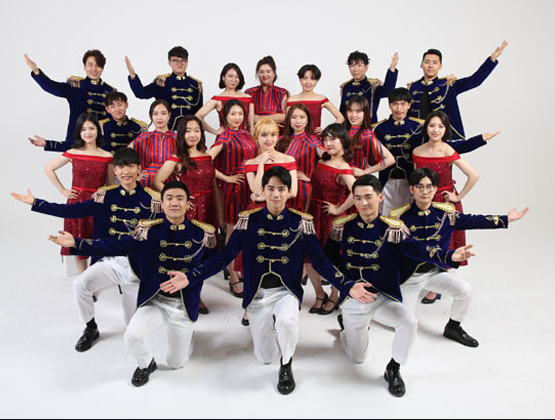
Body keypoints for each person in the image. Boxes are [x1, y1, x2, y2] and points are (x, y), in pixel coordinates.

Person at [171, 166, 373, 395]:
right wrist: (190, 277)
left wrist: (347, 286)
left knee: (287, 323)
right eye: (271, 189)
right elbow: (223, 257)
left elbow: (321, 261)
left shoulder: (301, 223)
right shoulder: (248, 221)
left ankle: (286, 363)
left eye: (281, 189)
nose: (276, 194)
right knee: (265, 357)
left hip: (286, 292)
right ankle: (268, 335)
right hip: (256, 294)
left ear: (289, 192)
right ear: (263, 191)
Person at [49, 181, 217, 387]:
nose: (174, 203)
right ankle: (147, 364)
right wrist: (77, 243)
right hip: (155, 300)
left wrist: (191, 277)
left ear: (188, 203)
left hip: (183, 306)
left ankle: (188, 337)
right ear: (162, 204)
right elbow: (115, 245)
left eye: (180, 198)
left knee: (177, 364)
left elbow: (215, 263)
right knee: (132, 335)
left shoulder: (202, 234)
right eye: (169, 198)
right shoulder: (148, 232)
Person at [324, 175, 475, 397]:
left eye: (368, 197)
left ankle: (393, 368)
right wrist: (346, 286)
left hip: (383, 297)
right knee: (358, 358)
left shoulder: (393, 229)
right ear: (353, 200)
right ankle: (346, 328)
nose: (364, 203)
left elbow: (418, 249)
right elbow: (327, 262)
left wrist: (449, 255)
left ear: (380, 197)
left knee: (409, 322)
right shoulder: (342, 227)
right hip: (354, 298)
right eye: (358, 198)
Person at [11, 148, 161, 352]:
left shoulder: (153, 202)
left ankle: (141, 347)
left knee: (131, 327)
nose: (125, 171)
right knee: (80, 284)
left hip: (136, 268)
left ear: (139, 169)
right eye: (120, 167)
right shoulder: (104, 196)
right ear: (115, 171)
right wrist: (37, 203)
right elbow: (73, 210)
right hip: (109, 261)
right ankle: (91, 328)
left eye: (130, 166)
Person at [386, 168, 529, 347]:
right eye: (419, 186)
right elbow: (411, 249)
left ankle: (453, 327)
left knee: (465, 291)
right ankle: (372, 309)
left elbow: (473, 220)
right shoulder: (398, 218)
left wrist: (505, 219)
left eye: (429, 187)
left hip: (433, 273)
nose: (425, 191)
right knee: (403, 323)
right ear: (411, 189)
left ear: (435, 189)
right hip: (408, 277)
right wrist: (449, 255)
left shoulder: (445, 214)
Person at [373, 89, 497, 215]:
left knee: (410, 219)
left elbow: (445, 145)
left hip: (413, 183)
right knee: (385, 217)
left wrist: (478, 140)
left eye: (403, 104)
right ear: (389, 105)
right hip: (386, 181)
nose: (399, 108)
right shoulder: (379, 129)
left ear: (409, 105)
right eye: (395, 104)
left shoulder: (418, 127)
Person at [154, 116, 218, 315]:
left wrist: (220, 214)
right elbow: (157, 181)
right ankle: (192, 296)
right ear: (181, 134)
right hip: (190, 212)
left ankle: (193, 291)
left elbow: (213, 185)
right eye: (188, 131)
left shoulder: (206, 156)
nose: (193, 135)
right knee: (190, 255)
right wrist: (178, 199)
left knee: (205, 255)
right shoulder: (177, 158)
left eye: (197, 130)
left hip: (209, 209)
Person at [43, 113, 114, 274]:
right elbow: (49, 168)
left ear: (98, 130)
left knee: (96, 242)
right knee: (78, 242)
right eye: (83, 129)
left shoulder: (107, 156)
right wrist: (63, 190)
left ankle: (93, 276)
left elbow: (110, 185)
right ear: (79, 132)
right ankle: (83, 277)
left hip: (97, 204)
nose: (88, 132)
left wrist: (107, 201)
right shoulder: (73, 152)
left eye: (91, 128)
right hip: (77, 203)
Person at [408, 41, 508, 139]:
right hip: (419, 137)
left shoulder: (448, 85)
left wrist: (492, 59)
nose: (430, 65)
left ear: (440, 66)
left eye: (435, 63)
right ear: (421, 64)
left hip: (445, 137)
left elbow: (475, 80)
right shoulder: (412, 87)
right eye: (427, 62)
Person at [208, 100, 257, 298]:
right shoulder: (225, 135)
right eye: (232, 114)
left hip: (251, 187)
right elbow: (205, 160)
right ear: (225, 116)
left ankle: (241, 269)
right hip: (234, 189)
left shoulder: (247, 134)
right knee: (232, 232)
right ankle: (233, 276)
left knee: (247, 232)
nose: (237, 117)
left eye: (240, 114)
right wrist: (227, 177)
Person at [307, 124, 357, 316]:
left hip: (332, 219)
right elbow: (314, 188)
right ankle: (319, 294)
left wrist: (338, 208)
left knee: (333, 260)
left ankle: (335, 295)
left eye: (332, 139)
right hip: (314, 213)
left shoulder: (344, 167)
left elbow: (356, 192)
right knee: (309, 258)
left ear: (343, 140)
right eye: (325, 139)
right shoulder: (322, 161)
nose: (328, 143)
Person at [25, 50, 117, 150]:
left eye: (98, 65)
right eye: (90, 65)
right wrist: (36, 71)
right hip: (77, 141)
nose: (94, 69)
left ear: (102, 68)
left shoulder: (110, 91)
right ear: (84, 67)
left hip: (101, 143)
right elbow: (51, 86)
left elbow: (115, 118)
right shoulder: (75, 86)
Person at [126, 46, 203, 131]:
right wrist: (133, 76)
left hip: (189, 133)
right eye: (175, 60)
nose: (179, 63)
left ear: (187, 62)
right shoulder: (162, 82)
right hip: (166, 132)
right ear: (169, 62)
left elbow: (199, 113)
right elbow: (141, 93)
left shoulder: (195, 84)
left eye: (183, 60)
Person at [277, 103, 324, 213]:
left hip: (304, 192)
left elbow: (329, 163)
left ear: (308, 120)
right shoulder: (281, 140)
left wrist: (310, 178)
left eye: (302, 117)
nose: (298, 121)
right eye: (294, 117)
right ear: (289, 120)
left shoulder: (313, 141)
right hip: (282, 189)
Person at [244, 118, 298, 209]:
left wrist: (263, 198)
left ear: (277, 137)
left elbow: (293, 192)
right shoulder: (250, 163)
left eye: (273, 135)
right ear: (257, 138)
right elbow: (257, 191)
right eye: (264, 135)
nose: (269, 139)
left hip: (281, 208)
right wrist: (261, 164)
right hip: (259, 209)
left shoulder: (288, 160)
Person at [339, 51, 399, 123]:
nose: (355, 69)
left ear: (366, 67)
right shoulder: (346, 87)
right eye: (352, 66)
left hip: (368, 126)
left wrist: (392, 68)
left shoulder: (372, 86)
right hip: (349, 128)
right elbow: (342, 112)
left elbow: (388, 91)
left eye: (359, 65)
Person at [195, 63, 254, 135]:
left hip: (244, 138)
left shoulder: (248, 98)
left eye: (237, 77)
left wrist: (252, 140)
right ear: (223, 77)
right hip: (225, 139)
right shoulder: (217, 99)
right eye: (230, 76)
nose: (234, 80)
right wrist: (214, 131)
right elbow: (197, 116)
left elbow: (251, 126)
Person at [129, 100, 177, 188]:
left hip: (170, 185)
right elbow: (124, 157)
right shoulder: (143, 138)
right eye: (155, 114)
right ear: (151, 116)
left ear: (169, 115)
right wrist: (135, 176)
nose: (159, 117)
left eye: (163, 113)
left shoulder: (177, 139)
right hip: (145, 185)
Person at [344, 96, 395, 176]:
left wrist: (364, 172)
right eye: (350, 111)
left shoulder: (366, 134)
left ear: (365, 113)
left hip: (354, 179)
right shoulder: (343, 131)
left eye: (358, 111)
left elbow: (390, 159)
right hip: (338, 178)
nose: (353, 115)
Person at [287, 64, 344, 135]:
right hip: (295, 138)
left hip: (315, 138)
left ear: (317, 80)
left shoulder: (321, 99)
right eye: (305, 78)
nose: (308, 82)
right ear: (300, 79)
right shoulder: (291, 100)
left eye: (312, 79)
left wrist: (327, 131)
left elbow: (340, 118)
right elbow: (287, 122)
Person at [246, 56, 289, 128]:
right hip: (255, 132)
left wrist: (257, 119)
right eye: (261, 72)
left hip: (278, 132)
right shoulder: (249, 93)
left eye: (268, 71)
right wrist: (273, 120)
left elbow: (286, 117)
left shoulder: (282, 93)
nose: (265, 75)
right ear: (257, 74)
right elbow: (245, 117)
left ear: (274, 73)